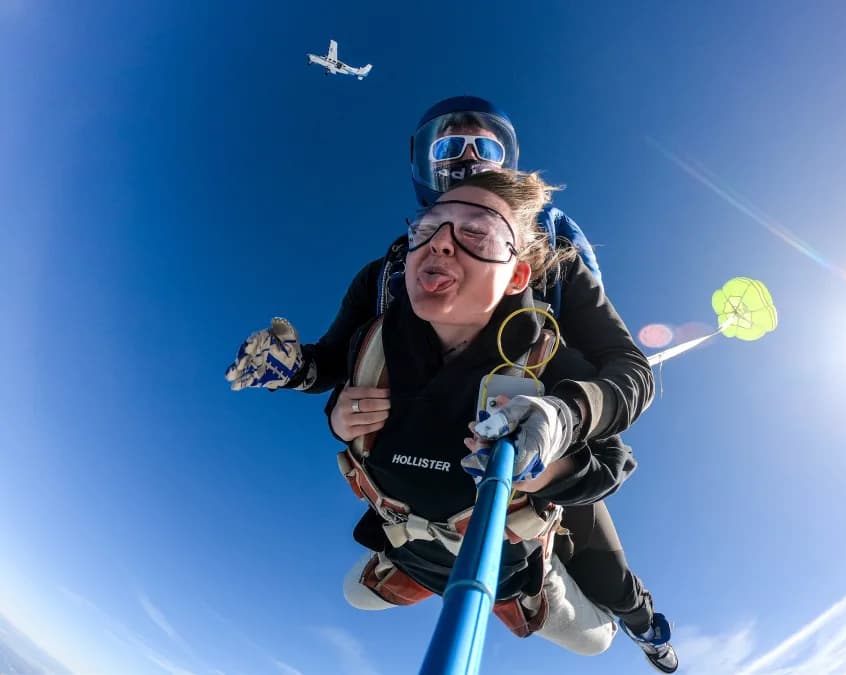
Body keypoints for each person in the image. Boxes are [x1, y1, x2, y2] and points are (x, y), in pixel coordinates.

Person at [225, 96, 677, 672]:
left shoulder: (554, 267)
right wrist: (298, 375)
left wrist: (566, 417)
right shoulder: (391, 275)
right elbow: (338, 360)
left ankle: (638, 624)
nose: (467, 158)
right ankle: (434, 559)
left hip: (537, 428)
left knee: (606, 576)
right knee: (361, 586)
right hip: (416, 455)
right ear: (423, 166)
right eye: (449, 147)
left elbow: (628, 371)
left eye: (484, 147)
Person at [332, 169, 634, 655]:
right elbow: (340, 391)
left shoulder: (547, 364)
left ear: (517, 276)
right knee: (354, 595)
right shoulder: (374, 344)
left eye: (477, 232)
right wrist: (337, 416)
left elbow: (614, 462)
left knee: (596, 642)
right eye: (427, 229)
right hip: (410, 551)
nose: (441, 243)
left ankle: (559, 585)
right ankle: (424, 574)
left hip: (507, 570)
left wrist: (545, 464)